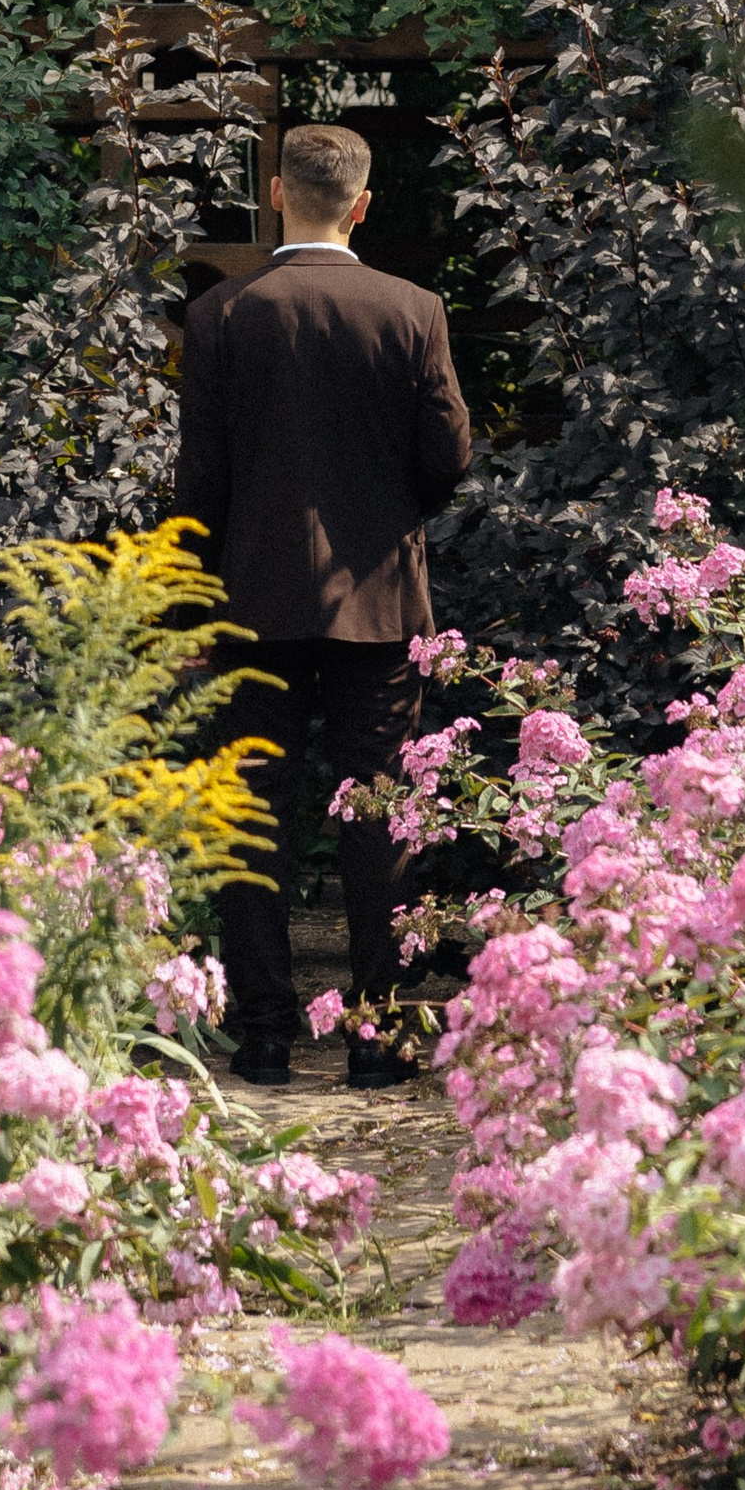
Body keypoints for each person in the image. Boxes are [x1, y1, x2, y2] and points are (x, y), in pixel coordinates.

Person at [176, 120, 473, 1088]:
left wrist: (190, 610)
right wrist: (387, 516)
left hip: (251, 601)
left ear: (274, 195)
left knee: (252, 814)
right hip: (379, 604)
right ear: (362, 205)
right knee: (379, 817)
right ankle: (378, 1040)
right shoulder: (411, 310)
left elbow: (201, 486)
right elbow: (448, 459)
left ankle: (263, 1035)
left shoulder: (222, 316)